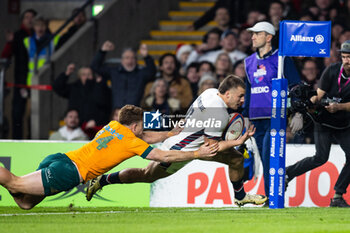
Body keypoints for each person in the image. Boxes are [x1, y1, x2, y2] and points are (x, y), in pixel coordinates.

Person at [87, 75, 268, 207]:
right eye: (240, 96)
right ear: (227, 94)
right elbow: (211, 147)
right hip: (179, 149)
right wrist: (237, 140)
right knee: (146, 175)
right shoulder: (219, 112)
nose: (243, 100)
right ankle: (103, 181)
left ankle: (240, 197)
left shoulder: (211, 92)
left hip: (185, 140)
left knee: (235, 159)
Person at [0, 105, 219, 210]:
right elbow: (162, 154)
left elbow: (145, 136)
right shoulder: (131, 141)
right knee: (14, 181)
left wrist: (169, 134)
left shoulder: (113, 125)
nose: (142, 131)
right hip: (69, 172)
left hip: (60, 159)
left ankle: (17, 192)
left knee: (25, 202)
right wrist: (197, 153)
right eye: (140, 127)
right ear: (133, 126)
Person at [286, 40, 350, 207]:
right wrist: (304, 107)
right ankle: (287, 174)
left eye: (349, 57)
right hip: (324, 120)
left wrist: (339, 107)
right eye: (344, 57)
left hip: (344, 123)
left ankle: (337, 196)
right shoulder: (332, 70)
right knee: (320, 157)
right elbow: (318, 95)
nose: (347, 60)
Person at [243, 21, 300, 204]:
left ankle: (273, 196)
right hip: (255, 119)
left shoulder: (282, 59)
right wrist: (245, 116)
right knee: (265, 159)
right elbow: (248, 90)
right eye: (252, 34)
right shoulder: (248, 62)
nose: (252, 37)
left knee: (269, 156)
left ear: (269, 37)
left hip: (276, 117)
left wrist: (297, 112)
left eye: (256, 33)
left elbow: (295, 86)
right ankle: (271, 196)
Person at [1, 9, 37, 139]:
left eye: (32, 17)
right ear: (22, 20)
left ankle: (33, 139)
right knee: (17, 113)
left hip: (37, 80)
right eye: (27, 17)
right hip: (20, 81)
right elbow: (5, 56)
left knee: (35, 114)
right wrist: (10, 42)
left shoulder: (40, 35)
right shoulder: (17, 35)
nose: (30, 20)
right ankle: (17, 140)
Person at [52, 63, 111, 139]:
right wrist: (67, 73)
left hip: (93, 127)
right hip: (76, 126)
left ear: (93, 76)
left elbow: (105, 107)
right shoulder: (74, 88)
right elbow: (57, 87)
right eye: (83, 74)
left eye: (89, 74)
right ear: (79, 76)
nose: (86, 77)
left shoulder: (98, 88)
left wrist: (96, 121)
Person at [91, 41, 156, 109]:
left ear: (136, 60)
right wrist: (102, 51)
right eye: (127, 58)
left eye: (133, 58)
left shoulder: (141, 73)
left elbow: (151, 72)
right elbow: (95, 67)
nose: (130, 61)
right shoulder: (114, 72)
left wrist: (146, 57)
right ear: (122, 60)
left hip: (134, 113)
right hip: (116, 113)